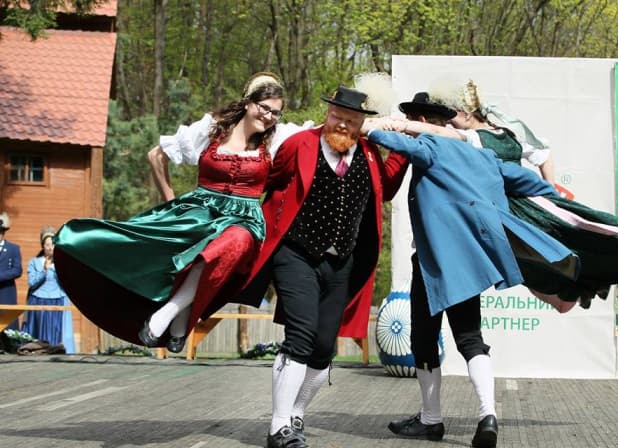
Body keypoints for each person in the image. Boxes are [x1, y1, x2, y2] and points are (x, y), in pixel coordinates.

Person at [363, 101, 618, 447]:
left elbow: (402, 144)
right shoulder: (484, 158)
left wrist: (370, 128)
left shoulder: (430, 145)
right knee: (470, 338)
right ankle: (487, 415)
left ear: (421, 122)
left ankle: (431, 420)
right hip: (469, 260)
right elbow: (528, 181)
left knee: (424, 338)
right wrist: (555, 206)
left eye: (411, 120)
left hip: (434, 262)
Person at [54, 73, 287, 353]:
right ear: (249, 102)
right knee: (195, 256)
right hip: (201, 211)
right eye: (265, 108)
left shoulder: (276, 139)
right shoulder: (212, 129)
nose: (269, 117)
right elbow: (156, 155)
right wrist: (171, 201)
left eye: (276, 113)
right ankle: (179, 323)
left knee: (232, 242)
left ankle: (166, 314)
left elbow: (316, 138)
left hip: (245, 220)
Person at [235, 85, 408, 448]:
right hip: (295, 254)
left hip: (341, 262)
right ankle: (278, 427)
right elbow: (267, 182)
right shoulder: (299, 144)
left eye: (351, 121)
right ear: (327, 114)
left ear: (361, 124)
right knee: (300, 337)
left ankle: (296, 413)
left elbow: (386, 189)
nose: (342, 125)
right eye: (337, 117)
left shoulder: (370, 154)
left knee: (324, 347)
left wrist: (404, 148)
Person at [445, 79, 556, 183]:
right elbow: (544, 156)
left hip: (492, 196)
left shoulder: (472, 137)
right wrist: (551, 192)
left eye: (451, 115)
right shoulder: (510, 134)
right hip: (518, 196)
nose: (448, 121)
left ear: (467, 114)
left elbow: (438, 133)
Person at [21, 226, 74, 351]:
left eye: (53, 244)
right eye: (47, 245)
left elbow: (67, 284)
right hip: (39, 300)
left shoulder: (62, 263)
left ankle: (56, 351)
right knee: (39, 333)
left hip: (57, 300)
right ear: (42, 246)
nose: (50, 248)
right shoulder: (34, 262)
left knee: (56, 331)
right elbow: (31, 283)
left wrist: (59, 267)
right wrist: (44, 270)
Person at [0, 212, 22, 331]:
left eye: (0, 232)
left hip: (6, 292)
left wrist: (1, 276)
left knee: (8, 326)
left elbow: (17, 270)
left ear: (3, 233)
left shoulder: (13, 248)